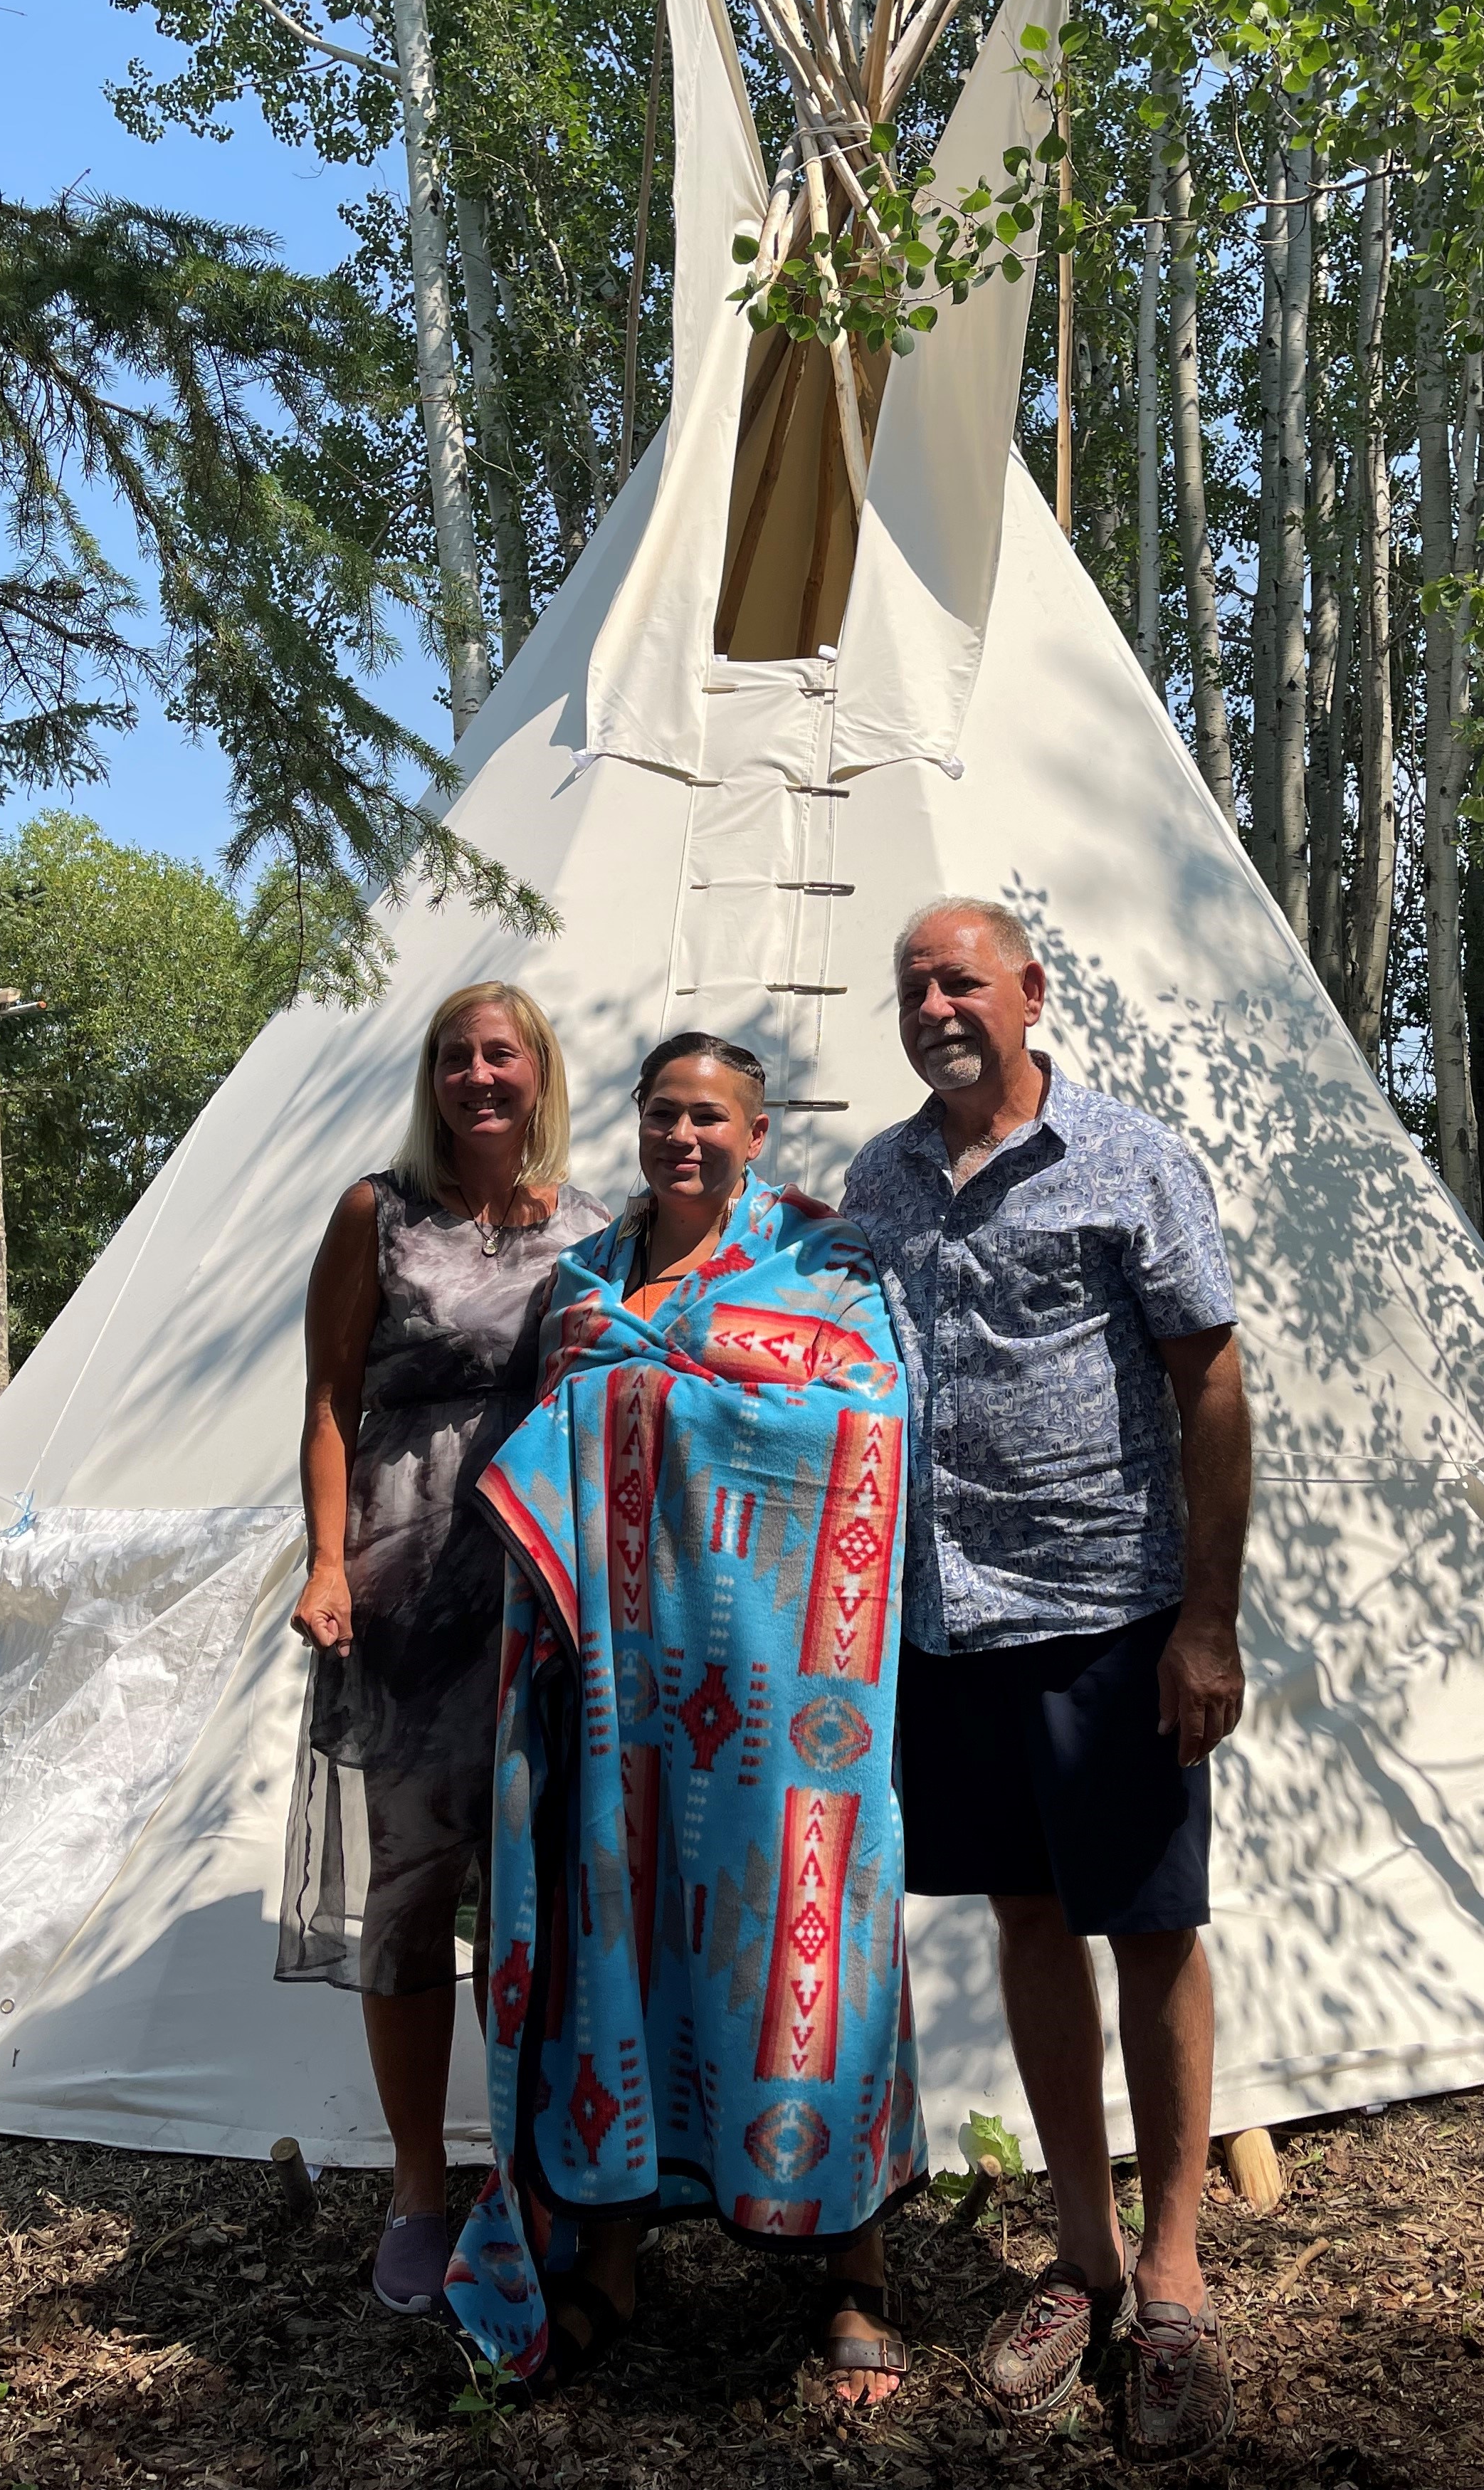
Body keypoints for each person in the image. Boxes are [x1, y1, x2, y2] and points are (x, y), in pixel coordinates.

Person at [444, 1033, 925, 2405]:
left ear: (758, 1132)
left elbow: (871, 1440)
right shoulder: (587, 1278)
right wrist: (654, 1397)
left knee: (813, 1945)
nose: (684, 1139)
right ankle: (607, 2261)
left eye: (711, 1117)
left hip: (789, 1694)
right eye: (663, 1115)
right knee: (614, 1937)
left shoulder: (829, 1267)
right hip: (616, 1694)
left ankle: (855, 2269)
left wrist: (663, 1398)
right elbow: (564, 1431)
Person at [841, 899, 1253, 2462]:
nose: (939, 1005)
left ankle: (1172, 2276)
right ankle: (1079, 2255)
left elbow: (1208, 1380)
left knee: (1151, 1929)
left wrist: (1205, 1619)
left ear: (1029, 991)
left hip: (1109, 1613)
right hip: (943, 1630)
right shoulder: (880, 1180)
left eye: (964, 981)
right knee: (1026, 1922)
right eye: (914, 987)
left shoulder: (1129, 1158)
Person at [279, 982, 609, 2318]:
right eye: (456, 1057)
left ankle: (529, 2174)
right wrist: (320, 1562)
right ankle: (422, 2183)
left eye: (502, 1054)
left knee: (540, 1901)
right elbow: (326, 1395)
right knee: (416, 1894)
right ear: (434, 1079)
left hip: (543, 1594)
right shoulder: (379, 1212)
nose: (479, 1077)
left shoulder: (596, 1230)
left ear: (539, 1074)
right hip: (406, 1587)